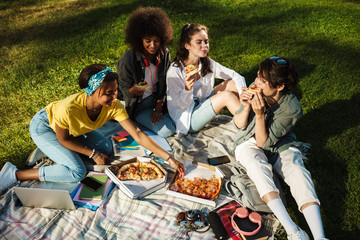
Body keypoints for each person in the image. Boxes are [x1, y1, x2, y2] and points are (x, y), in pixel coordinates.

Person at [0, 64, 184, 193]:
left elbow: (137, 133)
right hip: (45, 128)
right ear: (91, 92)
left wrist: (169, 159)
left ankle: (55, 151)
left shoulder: (114, 106)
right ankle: (16, 174)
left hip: (74, 131)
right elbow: (64, 139)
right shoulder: (68, 109)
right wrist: (92, 153)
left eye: (115, 91)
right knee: (77, 172)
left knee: (106, 148)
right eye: (108, 93)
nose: (115, 97)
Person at [233, 56, 327, 240]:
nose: (256, 81)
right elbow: (238, 125)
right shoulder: (256, 87)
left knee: (297, 170)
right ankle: (293, 231)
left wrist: (260, 115)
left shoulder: (292, 108)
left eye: (263, 80)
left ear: (280, 86)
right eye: (258, 76)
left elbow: (266, 142)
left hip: (279, 143)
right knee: (256, 165)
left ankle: (320, 236)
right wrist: (245, 106)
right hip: (248, 140)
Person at [166, 23, 246, 135]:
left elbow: (236, 76)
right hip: (188, 117)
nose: (205, 45)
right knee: (226, 96)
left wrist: (243, 95)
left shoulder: (206, 63)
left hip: (203, 102)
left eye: (206, 41)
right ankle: (249, 124)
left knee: (232, 83)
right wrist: (188, 89)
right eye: (199, 42)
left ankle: (249, 115)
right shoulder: (175, 71)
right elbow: (181, 105)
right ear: (187, 46)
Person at [116, 7, 175, 138]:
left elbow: (166, 83)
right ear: (139, 39)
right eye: (148, 41)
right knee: (168, 131)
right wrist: (132, 91)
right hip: (137, 105)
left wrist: (159, 108)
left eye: (157, 41)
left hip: (158, 100)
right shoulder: (127, 61)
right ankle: (136, 120)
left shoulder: (164, 54)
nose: (153, 45)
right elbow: (122, 91)